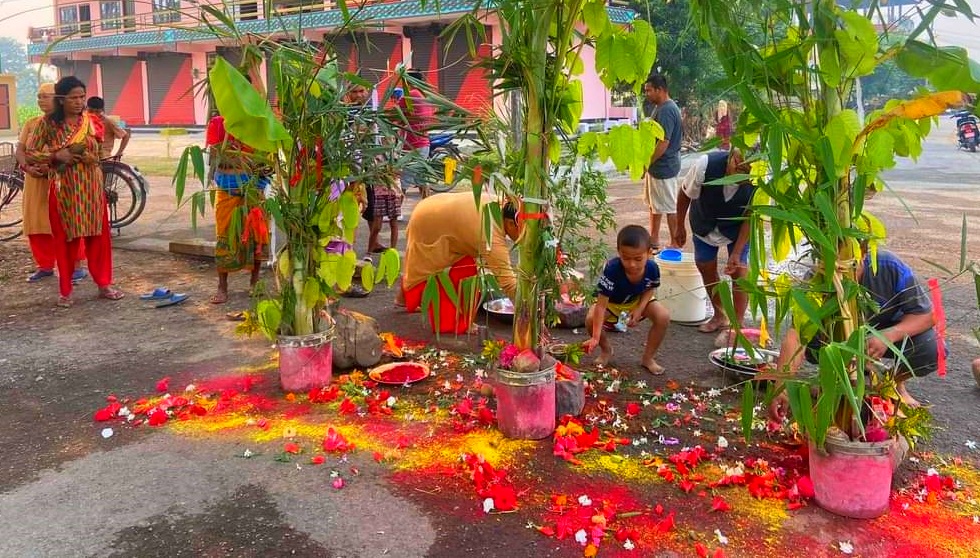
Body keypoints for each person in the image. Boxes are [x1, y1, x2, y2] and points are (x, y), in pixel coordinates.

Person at [769, 247, 942, 417]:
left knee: (931, 347)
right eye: (833, 263)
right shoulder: (816, 279)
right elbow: (796, 336)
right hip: (836, 341)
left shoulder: (889, 266)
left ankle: (893, 382)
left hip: (884, 331)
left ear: (863, 252)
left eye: (848, 262)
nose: (840, 271)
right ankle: (830, 377)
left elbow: (928, 315)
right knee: (813, 337)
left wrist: (888, 336)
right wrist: (781, 387)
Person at [24, 76, 123, 307]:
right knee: (66, 240)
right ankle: (66, 290)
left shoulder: (92, 121)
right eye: (73, 98)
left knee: (98, 237)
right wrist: (56, 155)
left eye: (81, 97)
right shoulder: (48, 124)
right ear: (61, 99)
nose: (79, 102)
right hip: (64, 189)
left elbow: (99, 152)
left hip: (91, 187)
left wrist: (88, 156)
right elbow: (31, 153)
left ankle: (104, 284)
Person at [396, 192, 518, 333]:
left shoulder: (500, 204)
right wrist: (530, 310)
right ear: (510, 223)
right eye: (524, 229)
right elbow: (508, 282)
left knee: (419, 262)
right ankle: (454, 323)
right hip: (429, 220)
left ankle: (402, 298)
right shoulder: (490, 235)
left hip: (432, 206)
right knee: (437, 270)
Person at [672, 148, 754, 334]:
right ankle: (720, 315)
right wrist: (679, 225)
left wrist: (736, 252)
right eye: (738, 165)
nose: (742, 171)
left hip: (737, 227)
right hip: (704, 221)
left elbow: (751, 217)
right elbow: (684, 193)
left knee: (740, 270)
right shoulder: (705, 164)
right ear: (731, 155)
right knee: (705, 265)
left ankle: (738, 325)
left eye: (747, 169)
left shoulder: (760, 178)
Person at [16, 83, 88, 285]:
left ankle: (76, 265)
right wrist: (27, 168)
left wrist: (52, 163)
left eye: (45, 96)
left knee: (67, 223)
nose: (41, 101)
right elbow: (21, 150)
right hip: (34, 180)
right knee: (37, 222)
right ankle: (45, 265)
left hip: (61, 179)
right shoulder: (32, 123)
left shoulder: (72, 123)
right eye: (38, 97)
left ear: (58, 98)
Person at [583, 225, 671, 374]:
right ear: (619, 253)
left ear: (649, 253)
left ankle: (648, 358)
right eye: (626, 258)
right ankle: (606, 350)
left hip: (637, 300)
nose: (632, 264)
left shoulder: (652, 268)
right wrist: (596, 337)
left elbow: (650, 288)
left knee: (663, 316)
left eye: (638, 259)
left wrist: (640, 309)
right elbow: (601, 305)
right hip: (611, 303)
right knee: (591, 319)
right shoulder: (612, 269)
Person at [205, 112, 269, 304]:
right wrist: (243, 156)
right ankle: (222, 286)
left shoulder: (259, 121)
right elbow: (217, 159)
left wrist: (242, 156)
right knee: (224, 235)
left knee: (258, 235)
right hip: (227, 190)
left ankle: (254, 282)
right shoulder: (218, 123)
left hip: (254, 189)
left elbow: (264, 159)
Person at [642, 74, 683, 252]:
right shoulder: (661, 107)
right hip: (660, 168)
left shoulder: (666, 110)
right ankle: (654, 240)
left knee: (668, 206)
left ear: (660, 90)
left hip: (664, 167)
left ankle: (676, 244)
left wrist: (647, 163)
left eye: (649, 90)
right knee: (655, 206)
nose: (647, 94)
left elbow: (663, 143)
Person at [397, 69, 435, 198]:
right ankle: (428, 208)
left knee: (403, 180)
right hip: (424, 143)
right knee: (422, 178)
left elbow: (395, 115)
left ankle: (396, 213)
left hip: (412, 145)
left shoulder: (409, 95)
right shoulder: (426, 96)